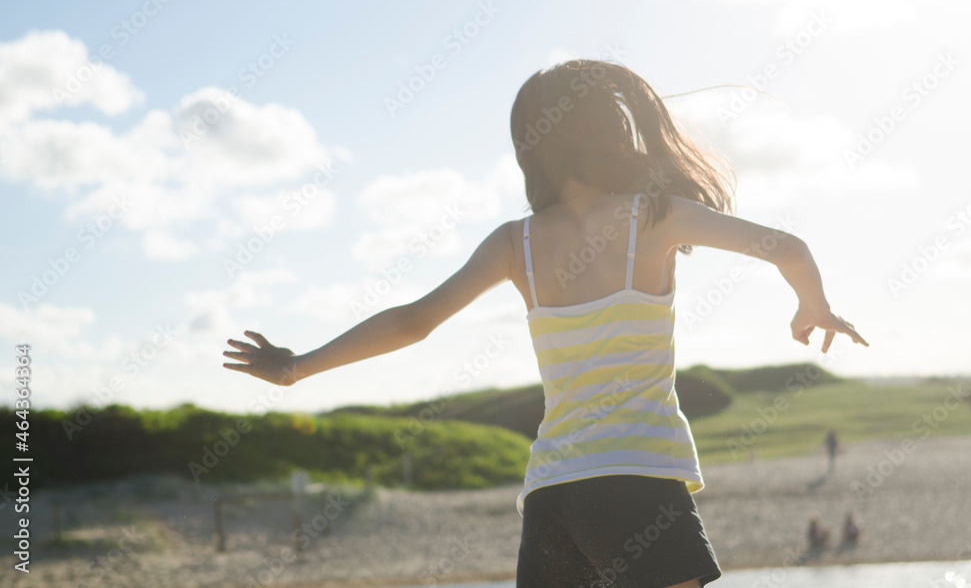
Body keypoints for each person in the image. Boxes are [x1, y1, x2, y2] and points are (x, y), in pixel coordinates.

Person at [222, 59, 869, 588]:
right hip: (636, 481)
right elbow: (787, 248)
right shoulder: (655, 215)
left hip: (553, 496)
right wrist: (812, 307)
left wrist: (297, 366)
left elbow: (413, 322)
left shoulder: (516, 242)